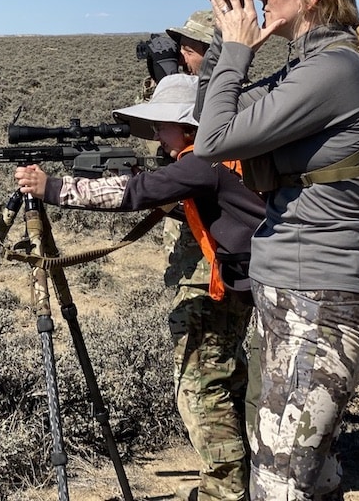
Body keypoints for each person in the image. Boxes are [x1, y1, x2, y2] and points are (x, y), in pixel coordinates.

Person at [194, 0, 359, 500]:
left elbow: (214, 141)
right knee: (310, 476)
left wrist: (238, 49)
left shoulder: (336, 71)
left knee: (281, 485)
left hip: (320, 300)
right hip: (295, 292)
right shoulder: (308, 70)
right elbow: (214, 113)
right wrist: (227, 50)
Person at [15, 73, 266, 501]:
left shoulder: (202, 161)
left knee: (201, 387)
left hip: (228, 286)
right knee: (224, 376)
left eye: (163, 125)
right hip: (247, 282)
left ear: (189, 127)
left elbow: (136, 192)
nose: (157, 135)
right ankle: (241, 478)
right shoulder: (228, 156)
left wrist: (52, 187)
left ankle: (224, 491)